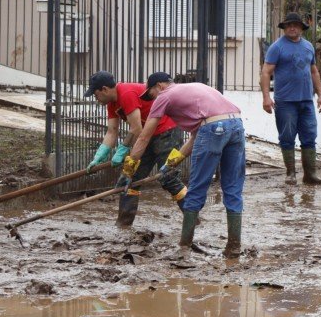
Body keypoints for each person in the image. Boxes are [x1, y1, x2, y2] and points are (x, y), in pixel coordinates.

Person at [123, 73, 245, 258]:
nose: (153, 99)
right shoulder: (196, 88)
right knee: (233, 188)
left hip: (213, 128)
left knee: (196, 187)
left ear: (160, 86)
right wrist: (170, 163)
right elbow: (197, 136)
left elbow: (144, 136)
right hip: (236, 125)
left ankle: (184, 248)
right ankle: (234, 247)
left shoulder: (164, 96)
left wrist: (129, 168)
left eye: (152, 94)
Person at [84, 71, 187, 227]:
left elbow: (136, 128)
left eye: (95, 94)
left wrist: (124, 149)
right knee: (129, 178)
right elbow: (112, 132)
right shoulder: (112, 103)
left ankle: (194, 217)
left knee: (168, 177)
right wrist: (99, 156)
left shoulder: (126, 93)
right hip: (147, 136)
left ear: (104, 89)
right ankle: (123, 225)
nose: (96, 99)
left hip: (167, 131)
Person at [261, 12, 321, 186]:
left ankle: (310, 175)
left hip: (306, 100)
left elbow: (314, 71)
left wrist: (320, 95)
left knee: (309, 136)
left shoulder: (308, 47)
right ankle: (291, 174)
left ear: (301, 28)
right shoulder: (277, 47)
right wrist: (266, 97)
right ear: (284, 28)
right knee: (287, 136)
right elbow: (266, 72)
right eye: (288, 25)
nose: (292, 27)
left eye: (295, 25)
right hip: (285, 101)